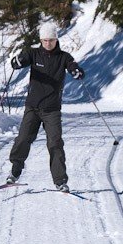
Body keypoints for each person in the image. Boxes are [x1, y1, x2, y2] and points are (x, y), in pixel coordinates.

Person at [6, 21, 84, 193]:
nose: (48, 43)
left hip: (52, 109)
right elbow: (20, 60)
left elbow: (73, 66)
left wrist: (76, 72)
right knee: (23, 138)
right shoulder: (33, 54)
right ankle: (15, 170)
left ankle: (60, 180)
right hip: (33, 107)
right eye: (45, 40)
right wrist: (17, 61)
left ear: (56, 40)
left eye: (51, 40)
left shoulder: (63, 57)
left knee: (55, 143)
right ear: (41, 40)